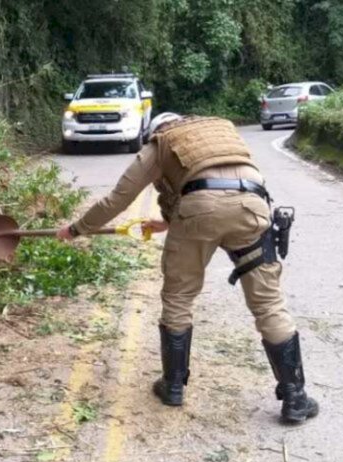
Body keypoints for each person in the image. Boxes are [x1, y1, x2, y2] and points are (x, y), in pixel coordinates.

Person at [57, 113, 319, 423]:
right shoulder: (220, 130)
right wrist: (167, 222)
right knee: (269, 305)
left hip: (197, 212)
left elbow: (118, 199)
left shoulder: (160, 145)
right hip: (252, 208)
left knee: (179, 298)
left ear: (157, 130)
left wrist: (76, 229)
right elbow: (223, 187)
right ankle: (295, 397)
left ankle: (173, 387)